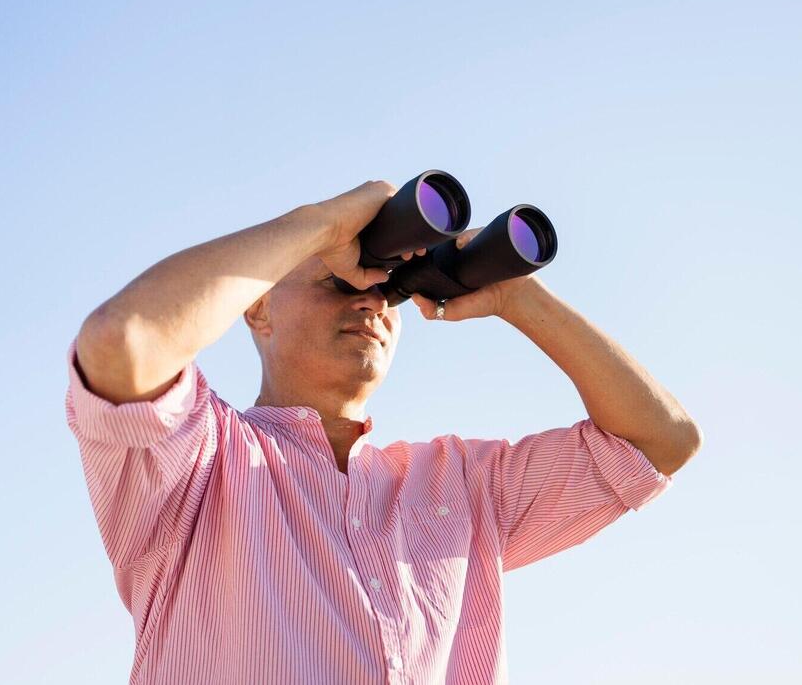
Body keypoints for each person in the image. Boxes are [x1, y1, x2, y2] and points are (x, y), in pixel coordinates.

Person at [63, 179, 703, 684]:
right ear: (256, 308)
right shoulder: (197, 459)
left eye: (389, 293)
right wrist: (323, 223)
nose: (371, 301)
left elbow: (662, 441)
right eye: (340, 283)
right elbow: (123, 342)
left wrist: (516, 297)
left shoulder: (459, 486)